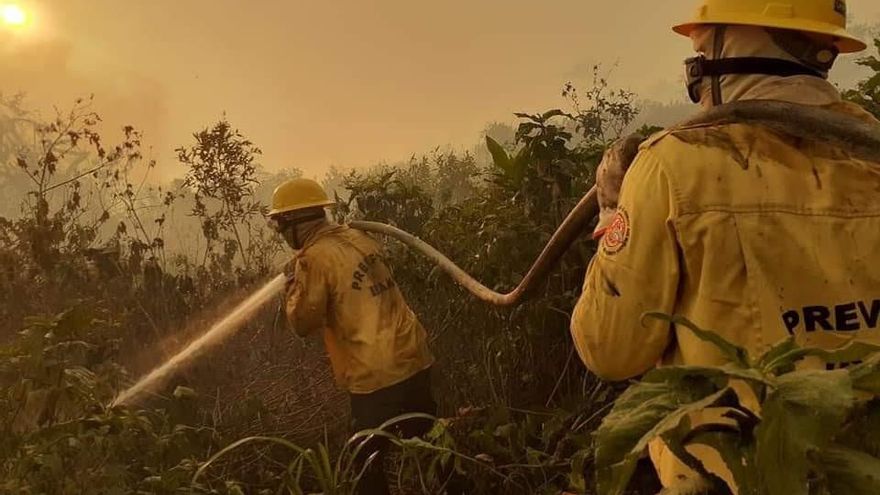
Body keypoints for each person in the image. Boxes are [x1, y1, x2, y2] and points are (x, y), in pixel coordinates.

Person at [569, 0, 880, 491]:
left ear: (727, 43)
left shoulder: (672, 164)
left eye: (700, 46)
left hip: (733, 474)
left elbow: (609, 350)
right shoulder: (872, 151)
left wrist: (613, 210)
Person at [267, 178, 437, 495]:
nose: (279, 232)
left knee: (365, 465)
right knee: (434, 449)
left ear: (292, 222)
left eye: (279, 224)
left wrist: (291, 288)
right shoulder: (359, 237)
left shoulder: (313, 259)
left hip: (374, 373)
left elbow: (303, 323)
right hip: (414, 355)